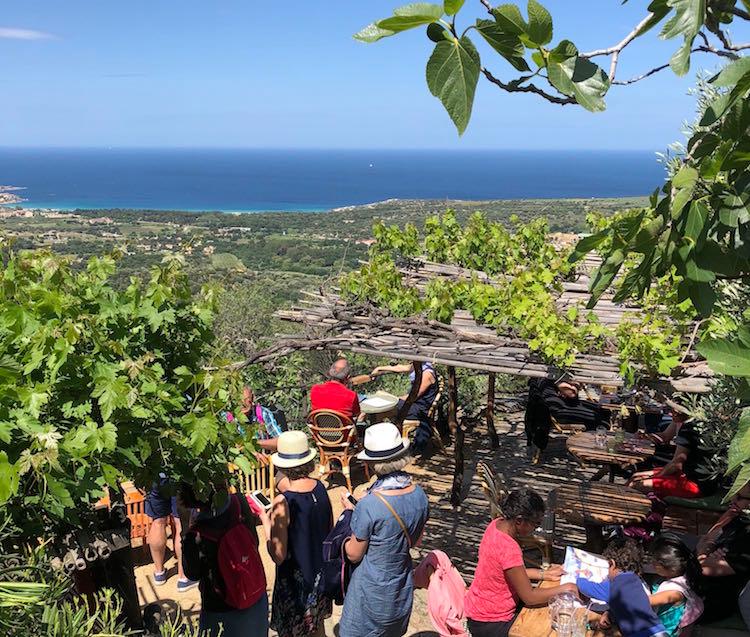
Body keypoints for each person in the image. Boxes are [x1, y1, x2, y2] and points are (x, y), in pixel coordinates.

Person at [339, 422, 430, 637]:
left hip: (370, 590)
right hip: (400, 587)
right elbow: (416, 541)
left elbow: (353, 554)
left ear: (372, 464)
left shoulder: (370, 504)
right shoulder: (420, 496)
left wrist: (350, 518)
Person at [464, 487, 576, 637]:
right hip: (491, 622)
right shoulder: (509, 548)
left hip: (477, 608)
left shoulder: (496, 525)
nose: (536, 529)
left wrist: (543, 574)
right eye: (535, 524)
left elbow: (504, 572)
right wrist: (566, 587)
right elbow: (529, 597)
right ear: (519, 521)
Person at [180, 485, 269, 637]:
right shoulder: (240, 503)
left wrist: (185, 527)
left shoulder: (196, 536)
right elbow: (254, 541)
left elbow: (192, 573)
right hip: (254, 595)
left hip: (220, 608)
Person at [268, 431, 333, 637]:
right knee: (317, 628)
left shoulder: (283, 501)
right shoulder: (320, 488)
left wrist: (264, 521)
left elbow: (278, 555)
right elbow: (329, 531)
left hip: (295, 587)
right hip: (319, 579)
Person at [578, 538, 668, 637]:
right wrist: (610, 613)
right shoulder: (636, 580)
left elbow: (585, 587)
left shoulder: (613, 586)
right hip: (658, 630)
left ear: (612, 564)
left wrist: (578, 576)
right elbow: (630, 604)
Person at [694, 478, 750, 622]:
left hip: (713, 601)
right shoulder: (737, 518)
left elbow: (701, 567)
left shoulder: (747, 539)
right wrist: (707, 546)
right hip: (700, 584)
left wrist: (705, 548)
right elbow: (708, 536)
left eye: (739, 497)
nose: (732, 499)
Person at [629, 420, 719, 498]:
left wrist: (654, 477)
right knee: (635, 476)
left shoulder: (688, 429)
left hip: (697, 484)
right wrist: (645, 437)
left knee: (637, 485)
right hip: (687, 474)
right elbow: (665, 436)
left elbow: (676, 464)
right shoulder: (688, 424)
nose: (672, 413)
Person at [145, 475, 197, 591]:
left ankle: (159, 573)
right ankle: (184, 577)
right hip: (179, 474)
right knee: (181, 524)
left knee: (158, 521)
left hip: (155, 473)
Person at [645, 534, 704, 635]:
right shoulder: (682, 570)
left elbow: (643, 601)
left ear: (667, 567)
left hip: (664, 631)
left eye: (654, 563)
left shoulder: (673, 592)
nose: (652, 564)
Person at [241, 386, 283, 452]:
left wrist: (254, 443)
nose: (243, 404)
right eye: (239, 401)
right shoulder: (227, 418)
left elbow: (280, 441)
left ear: (252, 398)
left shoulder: (263, 414)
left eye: (246, 400)